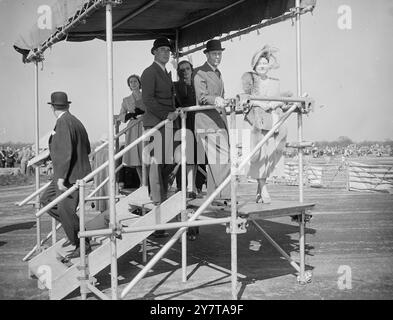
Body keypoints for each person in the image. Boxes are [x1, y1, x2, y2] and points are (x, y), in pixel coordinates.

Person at [40, 91, 92, 259]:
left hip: (69, 176)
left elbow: (66, 152)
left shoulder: (63, 122)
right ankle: (73, 230)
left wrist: (61, 178)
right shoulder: (76, 121)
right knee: (47, 200)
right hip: (71, 172)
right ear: (67, 105)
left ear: (52, 107)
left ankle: (82, 242)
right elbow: (86, 148)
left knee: (65, 210)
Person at [241, 45, 290, 203]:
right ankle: (263, 188)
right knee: (258, 154)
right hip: (256, 120)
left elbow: (279, 100)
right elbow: (245, 97)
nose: (262, 66)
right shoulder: (249, 78)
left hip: (273, 120)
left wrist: (276, 103)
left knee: (271, 153)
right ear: (254, 65)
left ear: (269, 64)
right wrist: (260, 104)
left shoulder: (275, 82)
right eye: (259, 63)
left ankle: (260, 188)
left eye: (264, 62)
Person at [141, 37, 179, 238]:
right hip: (156, 124)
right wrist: (166, 115)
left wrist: (173, 112)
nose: (166, 53)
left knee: (166, 168)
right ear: (154, 52)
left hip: (168, 125)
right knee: (156, 170)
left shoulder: (165, 72)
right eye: (162, 50)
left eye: (168, 50)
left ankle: (162, 217)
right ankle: (157, 222)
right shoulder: (149, 72)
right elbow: (147, 100)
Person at [193, 39, 231, 202]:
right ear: (207, 54)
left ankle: (215, 197)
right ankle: (224, 197)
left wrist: (225, 101)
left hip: (218, 121)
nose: (217, 57)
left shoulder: (218, 73)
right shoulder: (200, 72)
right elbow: (201, 97)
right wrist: (216, 100)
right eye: (214, 54)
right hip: (207, 122)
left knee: (218, 160)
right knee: (221, 159)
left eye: (219, 54)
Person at [119, 74, 145, 185]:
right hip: (134, 128)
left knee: (146, 153)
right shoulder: (126, 100)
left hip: (145, 124)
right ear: (129, 85)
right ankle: (142, 182)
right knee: (136, 156)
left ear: (139, 83)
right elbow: (121, 115)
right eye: (131, 82)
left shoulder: (146, 95)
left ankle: (149, 181)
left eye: (135, 81)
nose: (133, 83)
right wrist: (130, 115)